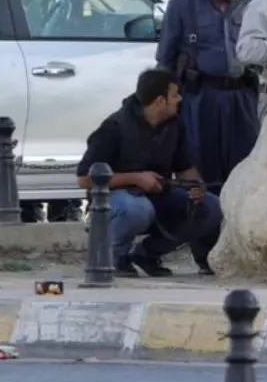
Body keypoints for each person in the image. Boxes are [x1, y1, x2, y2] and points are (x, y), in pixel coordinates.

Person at [75, 68, 223, 277]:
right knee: (137, 210)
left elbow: (185, 168)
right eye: (175, 95)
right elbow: (84, 179)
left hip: (159, 195)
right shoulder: (114, 127)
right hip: (118, 199)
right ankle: (114, 257)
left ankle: (148, 254)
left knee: (210, 207)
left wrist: (196, 187)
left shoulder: (174, 125)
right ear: (160, 101)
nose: (180, 99)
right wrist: (136, 178)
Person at [156, 0, 260, 192]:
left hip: (243, 98)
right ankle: (205, 224)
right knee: (202, 167)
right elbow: (165, 61)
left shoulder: (254, 4)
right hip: (201, 100)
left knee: (246, 166)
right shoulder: (183, 5)